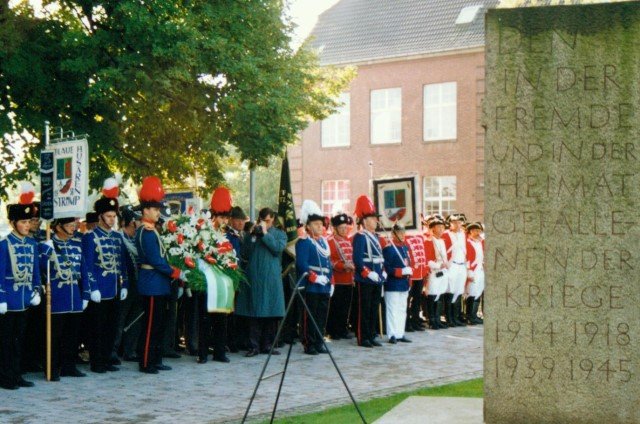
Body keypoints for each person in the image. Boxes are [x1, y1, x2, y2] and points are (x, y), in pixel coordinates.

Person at [135, 176, 188, 374]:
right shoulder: (146, 232)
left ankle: (155, 359)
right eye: (155, 209)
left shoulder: (151, 231)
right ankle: (146, 362)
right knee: (150, 326)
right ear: (145, 211)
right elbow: (156, 260)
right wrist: (176, 272)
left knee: (158, 325)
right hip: (151, 284)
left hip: (157, 284)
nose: (158, 212)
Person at [82, 178, 129, 373]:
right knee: (98, 328)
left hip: (114, 288)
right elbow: (88, 265)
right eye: (108, 216)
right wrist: (92, 288)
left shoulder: (118, 237)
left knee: (112, 326)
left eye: (114, 216)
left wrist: (125, 284)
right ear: (100, 217)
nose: (112, 220)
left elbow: (122, 263)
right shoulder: (90, 237)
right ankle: (97, 362)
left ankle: (108, 358)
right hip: (99, 290)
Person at [0, 184, 42, 389]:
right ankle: (5, 377)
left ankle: (16, 374)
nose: (27, 225)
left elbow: (35, 271)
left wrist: (36, 290)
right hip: (9, 300)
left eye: (28, 221)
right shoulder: (4, 244)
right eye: (23, 222)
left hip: (25, 298)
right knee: (6, 341)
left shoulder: (31, 244)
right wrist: (1, 298)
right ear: (13, 223)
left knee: (20, 339)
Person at [39, 217, 88, 380]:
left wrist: (86, 294)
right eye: (69, 225)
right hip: (57, 297)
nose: (73, 228)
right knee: (55, 336)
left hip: (75, 297)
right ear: (58, 227)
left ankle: (69, 366)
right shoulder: (47, 245)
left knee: (72, 336)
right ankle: (52, 368)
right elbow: (40, 269)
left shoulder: (76, 245)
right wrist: (45, 253)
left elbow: (83, 270)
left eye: (74, 225)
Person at [236, 207, 287, 357]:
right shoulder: (253, 233)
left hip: (271, 279)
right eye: (262, 220)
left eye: (268, 221)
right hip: (255, 278)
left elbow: (277, 249)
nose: (265, 223)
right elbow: (245, 253)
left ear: (273, 219)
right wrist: (251, 236)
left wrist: (265, 234)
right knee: (254, 312)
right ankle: (254, 346)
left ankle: (267, 345)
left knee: (270, 313)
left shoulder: (279, 234)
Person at [196, 187, 233, 364]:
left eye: (226, 218)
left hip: (222, 280)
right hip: (208, 278)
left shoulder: (227, 235)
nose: (224, 221)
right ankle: (202, 352)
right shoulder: (205, 231)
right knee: (205, 317)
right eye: (221, 217)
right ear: (214, 215)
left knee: (221, 317)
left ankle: (219, 351)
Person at [296, 200, 333, 355]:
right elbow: (302, 264)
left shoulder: (324, 243)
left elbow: (328, 264)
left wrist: (331, 281)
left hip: (324, 285)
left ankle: (318, 341)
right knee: (309, 316)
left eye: (321, 224)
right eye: (316, 224)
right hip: (311, 285)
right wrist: (315, 278)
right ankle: (309, 343)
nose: (320, 226)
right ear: (308, 226)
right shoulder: (304, 242)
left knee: (321, 316)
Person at [352, 195, 385, 348]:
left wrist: (382, 272)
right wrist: (368, 273)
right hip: (365, 278)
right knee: (364, 309)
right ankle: (363, 337)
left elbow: (379, 258)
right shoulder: (360, 237)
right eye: (372, 218)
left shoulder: (376, 237)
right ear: (364, 221)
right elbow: (358, 260)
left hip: (377, 277)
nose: (376, 221)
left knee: (373, 307)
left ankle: (371, 335)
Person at [113, 206, 143, 363]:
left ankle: (130, 350)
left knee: (135, 319)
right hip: (124, 284)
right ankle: (113, 351)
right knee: (119, 319)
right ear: (131, 222)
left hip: (138, 284)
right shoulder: (119, 238)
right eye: (137, 220)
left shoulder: (137, 239)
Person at [382, 223, 412, 344]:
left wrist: (408, 278)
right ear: (393, 234)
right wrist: (400, 272)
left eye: (403, 232)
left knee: (402, 309)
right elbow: (386, 267)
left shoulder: (405, 248)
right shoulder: (389, 249)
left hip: (404, 283)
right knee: (392, 310)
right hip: (393, 283)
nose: (402, 235)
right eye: (399, 232)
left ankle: (400, 333)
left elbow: (408, 264)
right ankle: (392, 334)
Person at [326, 212, 354, 340]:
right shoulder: (330, 241)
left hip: (349, 279)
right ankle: (333, 331)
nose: (344, 230)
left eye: (345, 227)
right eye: (341, 228)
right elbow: (330, 261)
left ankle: (342, 329)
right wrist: (343, 266)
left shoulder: (348, 240)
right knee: (335, 307)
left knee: (345, 306)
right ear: (335, 228)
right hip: (337, 279)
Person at [441, 214, 467, 327]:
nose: (457, 224)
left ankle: (455, 317)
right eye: (454, 222)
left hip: (462, 265)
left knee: (459, 290)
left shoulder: (463, 234)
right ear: (450, 223)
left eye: (459, 222)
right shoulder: (446, 234)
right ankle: (449, 318)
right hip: (452, 265)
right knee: (450, 291)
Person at [424, 216, 448, 330]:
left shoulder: (442, 241)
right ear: (432, 228)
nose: (441, 229)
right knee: (432, 294)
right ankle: (432, 320)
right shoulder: (428, 241)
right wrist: (438, 265)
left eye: (442, 227)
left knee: (440, 294)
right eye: (438, 227)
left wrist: (445, 265)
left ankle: (437, 319)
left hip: (442, 271)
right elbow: (427, 260)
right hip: (433, 271)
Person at [405, 222, 428, 332]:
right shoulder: (405, 238)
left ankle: (415, 320)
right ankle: (406, 323)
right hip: (411, 274)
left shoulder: (420, 237)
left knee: (417, 300)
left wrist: (425, 271)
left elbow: (424, 254)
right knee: (407, 300)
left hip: (420, 273)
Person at [465, 222, 485, 325]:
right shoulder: (468, 243)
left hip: (480, 269)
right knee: (472, 292)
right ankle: (470, 316)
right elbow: (467, 258)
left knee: (478, 291)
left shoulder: (480, 242)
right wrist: (469, 272)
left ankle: (474, 315)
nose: (478, 233)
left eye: (479, 230)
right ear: (470, 231)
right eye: (475, 230)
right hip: (473, 270)